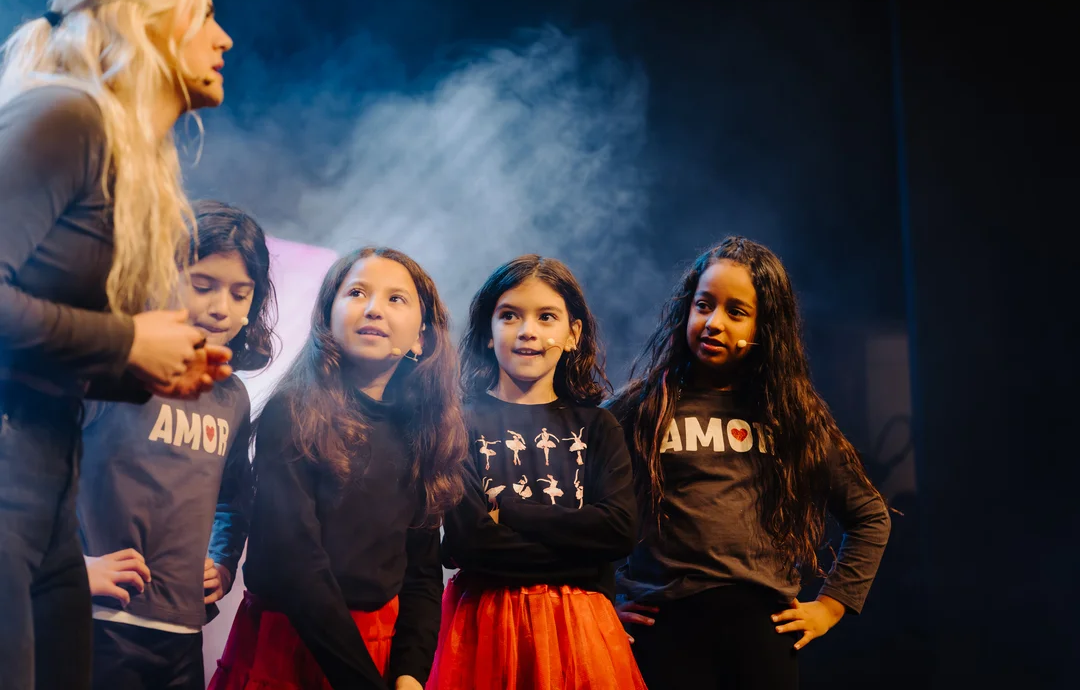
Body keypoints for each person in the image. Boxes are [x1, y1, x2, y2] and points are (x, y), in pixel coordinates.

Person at [0, 0, 233, 687]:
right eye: (205, 14)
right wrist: (127, 342)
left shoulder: (119, 153)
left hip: (46, 490)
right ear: (149, 20)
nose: (224, 38)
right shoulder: (66, 117)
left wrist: (136, 370)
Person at [609, 237, 892, 689]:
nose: (713, 323)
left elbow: (870, 515)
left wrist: (831, 606)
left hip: (761, 634)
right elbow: (577, 504)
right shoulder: (642, 407)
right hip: (664, 632)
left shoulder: (792, 416)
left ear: (765, 326)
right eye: (704, 305)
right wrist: (600, 601)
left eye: (736, 311)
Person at [209, 247, 467, 690]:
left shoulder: (423, 432)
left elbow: (422, 574)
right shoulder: (293, 411)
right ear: (328, 317)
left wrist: (409, 674)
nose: (373, 308)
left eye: (395, 298)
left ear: (421, 339)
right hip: (290, 645)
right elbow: (296, 563)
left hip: (378, 650)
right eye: (357, 293)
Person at [79, 202, 277, 689]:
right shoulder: (109, 370)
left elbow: (232, 498)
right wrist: (69, 567)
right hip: (91, 622)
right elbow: (26, 477)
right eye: (202, 285)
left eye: (240, 293)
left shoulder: (232, 396)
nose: (220, 307)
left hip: (180, 632)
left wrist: (223, 563)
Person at [430, 255, 645, 690]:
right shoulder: (457, 423)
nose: (528, 330)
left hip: (582, 632)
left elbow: (620, 531)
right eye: (510, 315)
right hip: (485, 627)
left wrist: (509, 512)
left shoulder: (598, 426)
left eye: (546, 316)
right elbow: (470, 543)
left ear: (573, 334)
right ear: (488, 332)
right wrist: (587, 565)